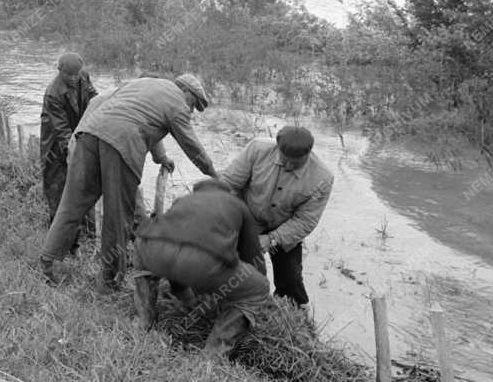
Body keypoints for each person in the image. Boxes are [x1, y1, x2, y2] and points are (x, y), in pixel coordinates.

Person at [40, 74, 218, 293]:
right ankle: (109, 281)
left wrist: (159, 156)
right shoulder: (178, 103)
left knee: (71, 205)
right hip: (121, 144)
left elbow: (137, 116)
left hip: (89, 133)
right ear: (186, 92)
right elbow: (192, 147)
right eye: (193, 104)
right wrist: (215, 175)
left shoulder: (144, 84)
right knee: (117, 217)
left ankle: (47, 264)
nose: (190, 111)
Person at [132, 177, 270, 359]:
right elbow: (253, 259)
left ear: (197, 190)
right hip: (200, 260)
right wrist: (255, 293)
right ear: (227, 193)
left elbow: (175, 243)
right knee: (259, 288)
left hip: (147, 248)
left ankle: (143, 321)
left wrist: (184, 293)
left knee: (155, 265)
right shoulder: (237, 205)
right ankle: (212, 355)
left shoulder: (183, 201)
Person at [220, 125, 334, 308]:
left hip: (285, 226)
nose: (288, 166)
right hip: (248, 216)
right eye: (284, 160)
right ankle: (243, 300)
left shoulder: (323, 178)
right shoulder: (257, 149)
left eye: (296, 163)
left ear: (309, 154)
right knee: (233, 265)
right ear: (277, 148)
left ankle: (296, 310)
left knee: (290, 277)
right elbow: (229, 185)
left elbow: (305, 221)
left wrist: (272, 239)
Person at [40, 52, 98, 235]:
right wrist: (76, 152)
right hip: (55, 145)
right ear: (60, 71)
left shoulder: (83, 76)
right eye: (69, 75)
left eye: (76, 74)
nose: (74, 78)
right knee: (57, 186)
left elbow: (94, 98)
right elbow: (62, 130)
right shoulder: (53, 93)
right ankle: (58, 232)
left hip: (78, 133)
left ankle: (88, 228)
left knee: (85, 183)